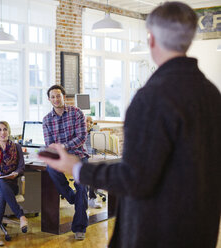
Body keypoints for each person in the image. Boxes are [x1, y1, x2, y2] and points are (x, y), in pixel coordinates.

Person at [39, 2, 221, 248]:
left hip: (158, 231)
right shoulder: (212, 94)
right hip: (202, 226)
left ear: (152, 39)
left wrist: (77, 169)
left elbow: (135, 177)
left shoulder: (152, 97)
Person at [42, 84, 89, 240]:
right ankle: (73, 198)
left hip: (78, 156)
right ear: (49, 99)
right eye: (53, 97)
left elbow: (81, 138)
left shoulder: (77, 113)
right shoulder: (47, 120)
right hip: (59, 157)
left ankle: (79, 228)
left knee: (81, 187)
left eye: (58, 96)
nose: (56, 99)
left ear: (64, 96)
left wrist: (63, 146)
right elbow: (50, 143)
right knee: (50, 170)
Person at [0, 121, 28, 246]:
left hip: (11, 185)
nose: (2, 132)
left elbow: (22, 168)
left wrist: (16, 173)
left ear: (9, 132)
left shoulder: (17, 148)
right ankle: (21, 215)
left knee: (1, 195)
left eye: (5, 129)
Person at [84, 116, 102, 209]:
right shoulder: (79, 133)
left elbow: (99, 149)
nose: (89, 124)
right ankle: (89, 197)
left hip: (93, 158)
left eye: (91, 122)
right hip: (82, 158)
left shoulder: (95, 134)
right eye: (87, 121)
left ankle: (92, 199)